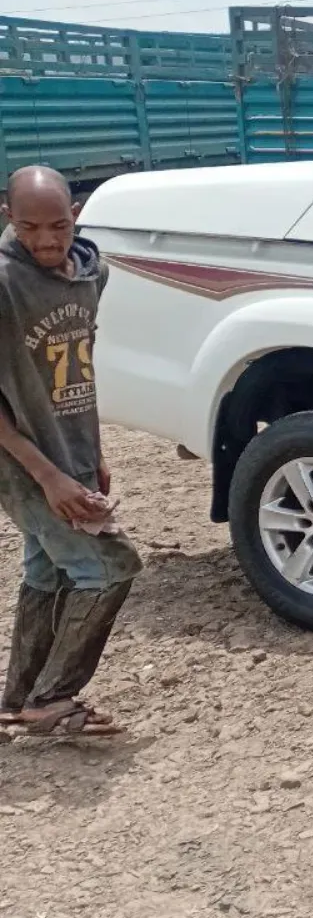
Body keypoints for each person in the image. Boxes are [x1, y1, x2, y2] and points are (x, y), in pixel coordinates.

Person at [0, 165, 142, 737]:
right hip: (22, 464)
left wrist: (93, 451)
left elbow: (78, 357)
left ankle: (16, 700)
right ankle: (53, 698)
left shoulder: (91, 271)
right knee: (112, 567)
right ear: (9, 218)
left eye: (58, 225)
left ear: (75, 216)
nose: (46, 241)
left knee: (49, 572)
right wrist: (50, 477)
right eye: (30, 227)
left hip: (71, 450)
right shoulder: (5, 282)